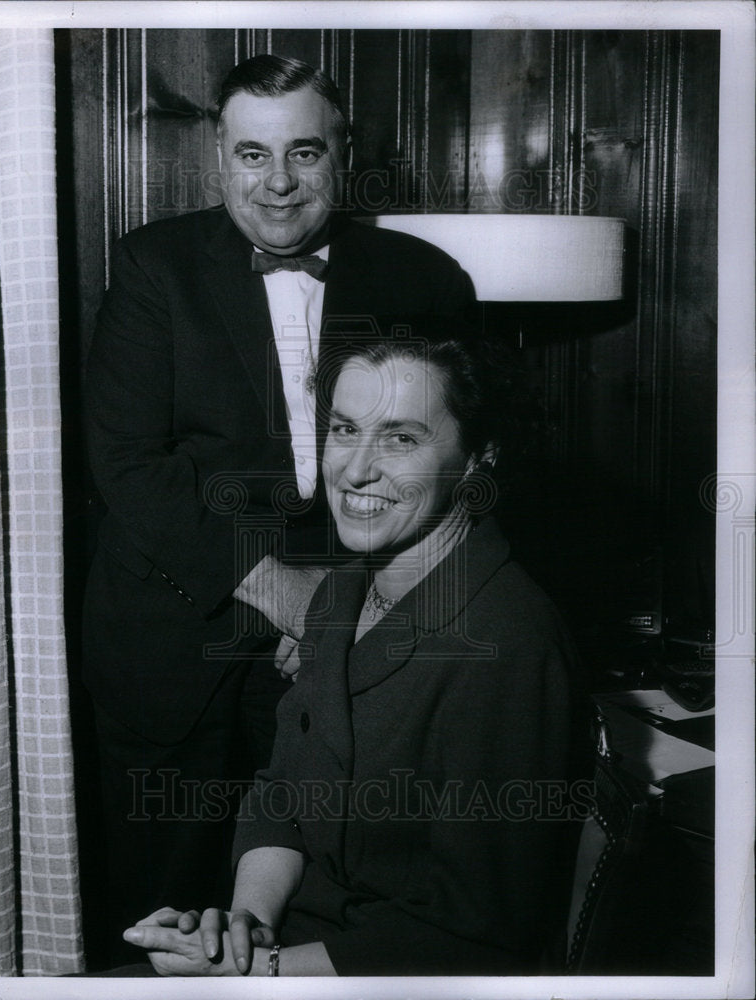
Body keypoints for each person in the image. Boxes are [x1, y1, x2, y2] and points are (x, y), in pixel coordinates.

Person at [82, 54, 474, 963]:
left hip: (339, 640)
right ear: (217, 154)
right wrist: (279, 588)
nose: (278, 183)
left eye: (304, 152)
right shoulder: (152, 265)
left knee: (310, 889)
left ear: (344, 153)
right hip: (169, 637)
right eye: (252, 155)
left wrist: (342, 608)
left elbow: (435, 468)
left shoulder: (422, 276)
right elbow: (127, 466)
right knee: (164, 916)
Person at [119, 319, 591, 976]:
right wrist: (242, 928)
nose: (355, 469)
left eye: (400, 438)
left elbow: (475, 938)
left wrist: (260, 973)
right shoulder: (343, 592)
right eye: (343, 429)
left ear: (479, 457)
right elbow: (282, 795)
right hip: (297, 944)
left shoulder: (508, 644)